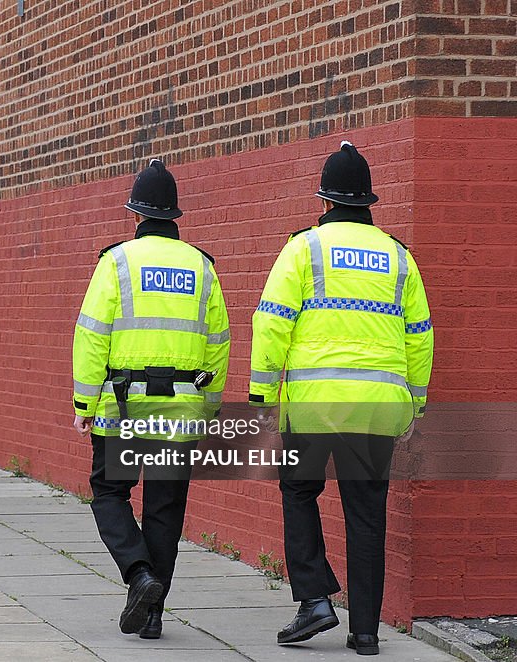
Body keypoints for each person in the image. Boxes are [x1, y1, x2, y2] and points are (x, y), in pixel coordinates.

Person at [249, 142, 434, 656]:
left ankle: (313, 599)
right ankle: (367, 632)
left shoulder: (304, 248)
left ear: (325, 202)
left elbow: (271, 323)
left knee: (299, 491)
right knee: (367, 513)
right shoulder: (399, 257)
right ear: (368, 204)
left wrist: (262, 394)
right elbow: (420, 335)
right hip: (377, 407)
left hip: (312, 402)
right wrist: (415, 404)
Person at [72, 159, 230, 639]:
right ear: (174, 216)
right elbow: (219, 341)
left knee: (110, 493)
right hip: (180, 410)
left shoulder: (117, 261)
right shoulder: (202, 267)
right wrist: (211, 405)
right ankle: (154, 614)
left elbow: (92, 336)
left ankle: (139, 575)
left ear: (136, 216)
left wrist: (83, 403)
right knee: (164, 507)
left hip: (122, 407)